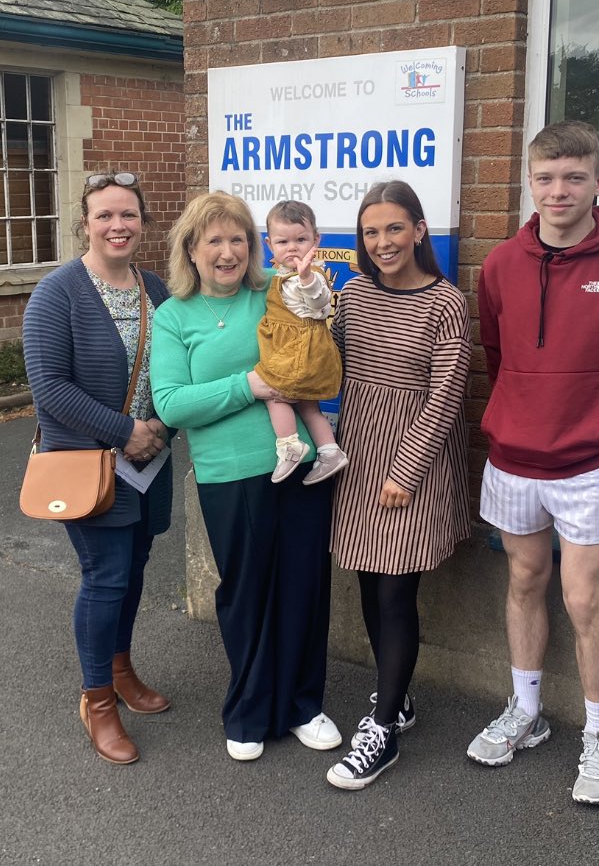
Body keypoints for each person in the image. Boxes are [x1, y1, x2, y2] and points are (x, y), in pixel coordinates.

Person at [467, 121, 599, 805]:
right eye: (545, 177)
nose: (558, 190)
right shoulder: (501, 263)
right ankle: (526, 712)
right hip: (513, 459)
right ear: (530, 183)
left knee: (585, 599)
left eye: (573, 176)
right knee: (525, 580)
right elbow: (498, 358)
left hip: (587, 465)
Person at [150, 191, 341, 762]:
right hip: (229, 475)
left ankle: (305, 705)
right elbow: (172, 404)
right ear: (192, 248)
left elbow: (316, 340)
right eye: (215, 241)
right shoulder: (174, 315)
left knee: (304, 587)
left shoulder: (273, 293)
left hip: (300, 465)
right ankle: (250, 708)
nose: (228, 252)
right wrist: (249, 386)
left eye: (238, 240)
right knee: (245, 591)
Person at [22, 171, 173, 765]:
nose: (118, 226)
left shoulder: (155, 286)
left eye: (129, 215)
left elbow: (178, 369)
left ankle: (121, 667)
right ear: (84, 222)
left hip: (149, 461)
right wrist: (125, 432)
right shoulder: (56, 293)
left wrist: (161, 429)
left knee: (134, 567)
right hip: (87, 464)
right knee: (105, 575)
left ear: (143, 223)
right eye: (105, 215)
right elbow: (49, 388)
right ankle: (98, 700)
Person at [325, 181, 471, 790]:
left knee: (394, 593)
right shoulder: (352, 296)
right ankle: (398, 696)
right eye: (370, 231)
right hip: (358, 454)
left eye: (393, 228)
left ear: (418, 229)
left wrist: (406, 471)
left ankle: (381, 728)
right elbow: (323, 363)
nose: (382, 242)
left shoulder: (447, 303)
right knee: (365, 578)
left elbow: (446, 396)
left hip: (411, 461)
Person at [256, 200, 348, 484]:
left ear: (316, 240)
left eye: (301, 239)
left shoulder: (310, 275)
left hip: (299, 354)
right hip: (300, 351)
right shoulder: (281, 275)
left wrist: (307, 278)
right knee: (309, 407)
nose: (292, 248)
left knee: (273, 393)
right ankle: (330, 450)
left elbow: (321, 302)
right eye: (283, 241)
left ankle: (289, 445)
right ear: (270, 245)